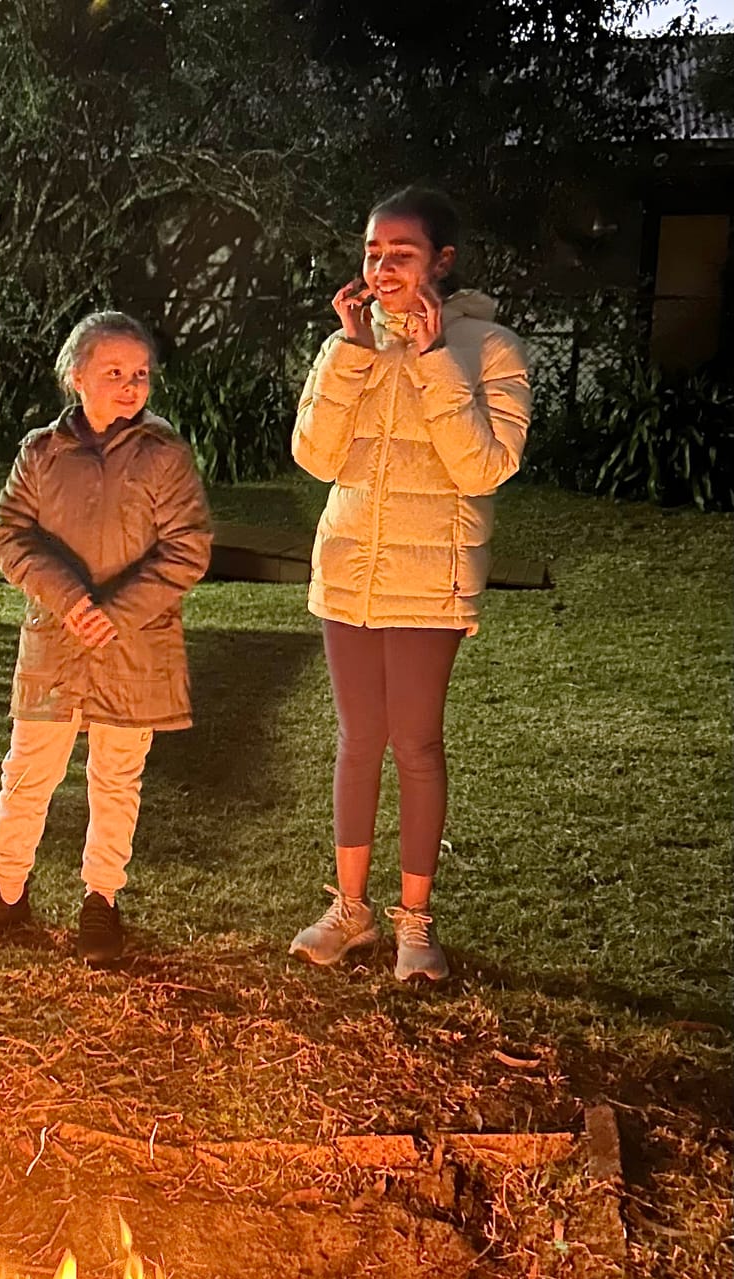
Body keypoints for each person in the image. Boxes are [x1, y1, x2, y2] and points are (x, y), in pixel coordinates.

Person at [289, 186, 531, 982]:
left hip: (431, 579)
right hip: (350, 571)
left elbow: (484, 466)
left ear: (443, 260)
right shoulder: (347, 344)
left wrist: (431, 362)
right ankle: (350, 910)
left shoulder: (490, 349)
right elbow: (316, 459)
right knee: (359, 741)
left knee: (417, 743)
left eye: (402, 253)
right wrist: (352, 352)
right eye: (372, 253)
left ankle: (414, 923)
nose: (383, 267)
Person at [0, 311, 212, 964]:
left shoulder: (164, 455)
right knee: (29, 769)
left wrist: (115, 611)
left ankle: (101, 900)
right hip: (55, 641)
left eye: (140, 374)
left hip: (133, 646)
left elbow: (188, 547)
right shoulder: (41, 451)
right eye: (114, 372)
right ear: (76, 377)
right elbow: (8, 533)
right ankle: (8, 890)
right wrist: (69, 599)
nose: (129, 385)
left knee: (116, 775)